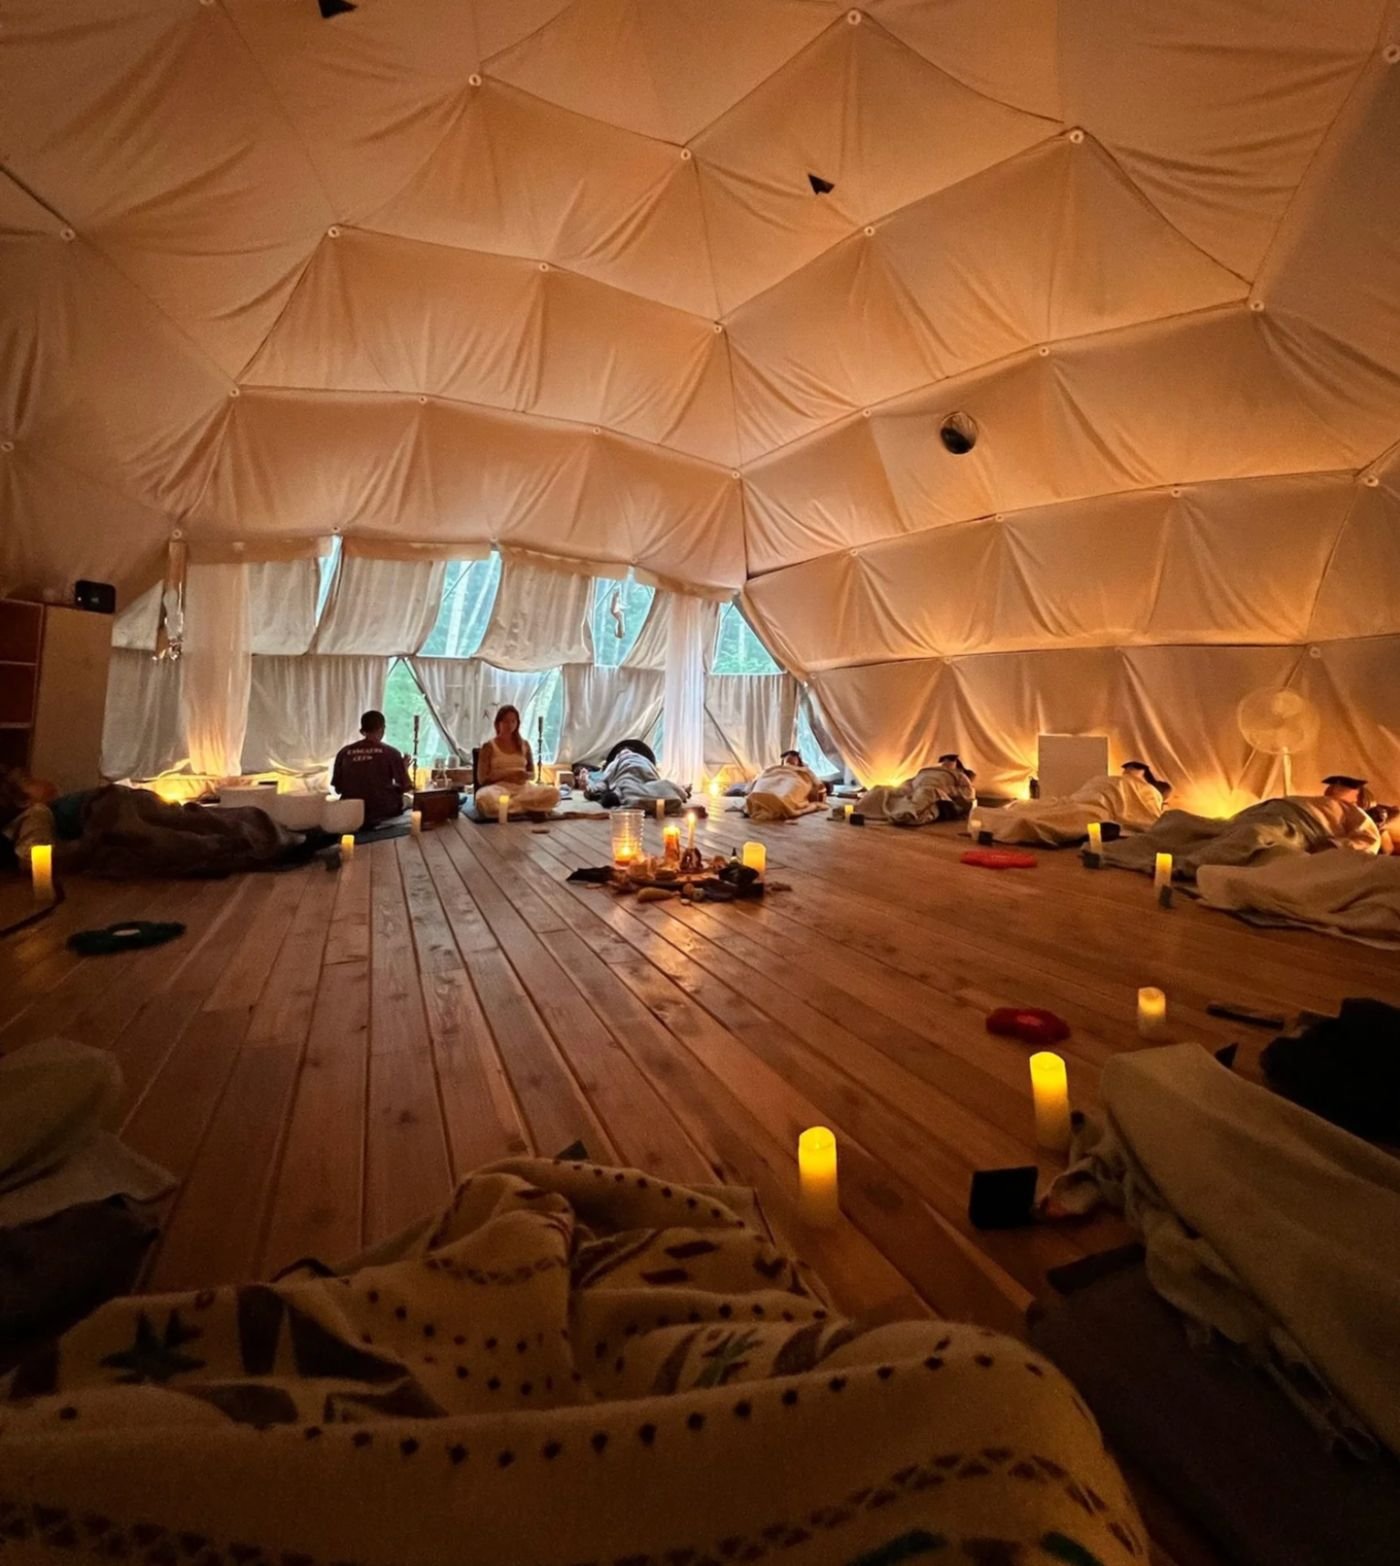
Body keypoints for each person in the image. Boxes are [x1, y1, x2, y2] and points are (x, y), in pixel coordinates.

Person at [1, 766, 308, 879]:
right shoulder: (35, 813)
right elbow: (35, 855)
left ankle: (257, 839)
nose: (42, 782)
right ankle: (269, 833)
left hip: (110, 807)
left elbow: (35, 855)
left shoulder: (38, 812)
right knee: (188, 825)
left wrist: (90, 847)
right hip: (113, 806)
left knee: (178, 834)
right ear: (20, 797)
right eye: (28, 781)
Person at [1101, 772, 1382, 879]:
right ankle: (1118, 850)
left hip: (1291, 827)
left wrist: (1330, 848)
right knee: (1179, 820)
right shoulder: (1309, 797)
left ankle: (1185, 867)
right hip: (1255, 815)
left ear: (1359, 797)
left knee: (1253, 836)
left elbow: (1366, 843)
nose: (1333, 788)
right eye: (1333, 783)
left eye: (1343, 786)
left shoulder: (1358, 815)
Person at [980, 761, 1168, 846]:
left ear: (1144, 771)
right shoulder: (1106, 778)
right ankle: (995, 817)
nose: (1128, 770)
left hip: (1096, 808)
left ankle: (1014, 824)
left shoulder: (1148, 790)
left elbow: (1145, 813)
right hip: (1075, 800)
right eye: (1127, 768)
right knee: (1038, 806)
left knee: (1047, 819)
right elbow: (1085, 790)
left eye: (1133, 768)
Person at [474, 705, 560, 819]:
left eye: (513, 721)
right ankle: (528, 808)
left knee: (553, 794)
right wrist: (508, 775)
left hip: (523, 789)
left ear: (517, 723)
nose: (509, 725)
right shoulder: (489, 746)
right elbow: (482, 779)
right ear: (498, 723)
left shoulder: (525, 745)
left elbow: (532, 775)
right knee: (484, 800)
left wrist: (524, 776)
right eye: (505, 721)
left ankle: (510, 807)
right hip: (498, 788)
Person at [331, 710, 413, 828]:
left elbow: (338, 789)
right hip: (383, 809)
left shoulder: (344, 752)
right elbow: (406, 787)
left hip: (351, 809)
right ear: (382, 729)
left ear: (361, 731)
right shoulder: (391, 753)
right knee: (409, 800)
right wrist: (404, 768)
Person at [857, 753, 977, 827]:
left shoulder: (960, 775)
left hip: (937, 795)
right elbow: (912, 781)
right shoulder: (926, 770)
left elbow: (968, 792)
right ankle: (861, 807)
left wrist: (946, 790)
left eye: (949, 760)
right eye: (945, 760)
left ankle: (905, 815)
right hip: (914, 789)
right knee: (881, 789)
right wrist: (902, 788)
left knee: (926, 792)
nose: (946, 762)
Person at [575, 739, 688, 813]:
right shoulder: (623, 759)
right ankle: (672, 794)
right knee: (661, 784)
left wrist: (591, 788)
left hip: (639, 770)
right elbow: (654, 775)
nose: (625, 751)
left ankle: (639, 798)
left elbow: (604, 782)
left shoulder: (618, 761)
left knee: (629, 786)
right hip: (639, 772)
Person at [744, 751, 828, 821]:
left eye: (793, 757)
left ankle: (781, 801)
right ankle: (760, 796)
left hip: (793, 778)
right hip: (772, 777)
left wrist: (820, 789)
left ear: (798, 761)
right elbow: (759, 778)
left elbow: (818, 784)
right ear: (783, 760)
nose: (790, 758)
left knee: (789, 787)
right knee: (764, 784)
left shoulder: (804, 770)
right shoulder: (772, 768)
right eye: (788, 756)